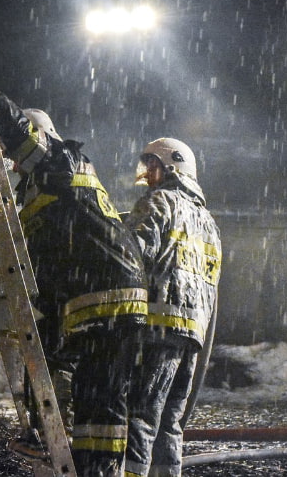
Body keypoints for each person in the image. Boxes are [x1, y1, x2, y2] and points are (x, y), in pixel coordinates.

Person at [0, 86, 148, 476]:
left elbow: (15, 128)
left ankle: (100, 470)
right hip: (91, 295)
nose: (10, 161)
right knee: (92, 392)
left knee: (103, 397)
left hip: (108, 294)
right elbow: (53, 264)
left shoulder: (59, 161)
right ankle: (91, 466)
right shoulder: (45, 189)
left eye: (10, 154)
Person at [123, 138, 221, 477]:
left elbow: (131, 256)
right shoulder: (208, 221)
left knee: (140, 415)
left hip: (157, 330)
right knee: (170, 423)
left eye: (153, 165)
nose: (148, 174)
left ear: (172, 168)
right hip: (193, 336)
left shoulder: (159, 202)